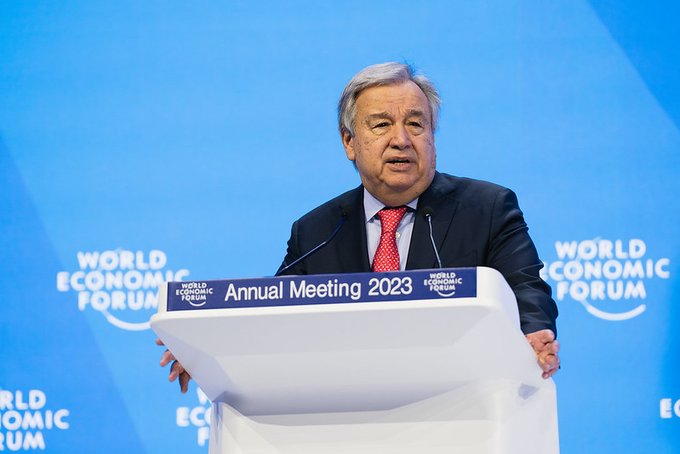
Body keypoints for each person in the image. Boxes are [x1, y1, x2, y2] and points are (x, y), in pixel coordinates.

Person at [159, 62, 560, 393]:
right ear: (349, 142)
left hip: (462, 409)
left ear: (432, 136)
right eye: (381, 125)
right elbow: (274, 316)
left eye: (416, 124)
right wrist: (209, 349)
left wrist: (533, 333)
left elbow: (525, 286)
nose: (401, 140)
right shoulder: (316, 231)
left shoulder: (487, 208)